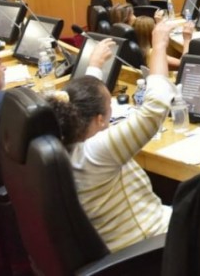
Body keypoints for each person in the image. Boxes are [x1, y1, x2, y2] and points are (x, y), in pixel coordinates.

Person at [46, 21, 177, 252]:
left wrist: (94, 66)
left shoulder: (60, 137)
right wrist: (158, 47)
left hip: (118, 240)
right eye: (109, 109)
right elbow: (156, 106)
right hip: (151, 243)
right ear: (99, 120)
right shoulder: (96, 152)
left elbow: (80, 99)